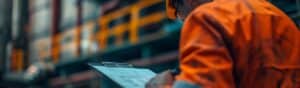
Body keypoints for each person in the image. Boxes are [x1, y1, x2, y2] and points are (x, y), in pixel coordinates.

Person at [146, 0, 300, 88]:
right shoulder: (275, 14)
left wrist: (162, 86)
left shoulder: (207, 18)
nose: (180, 19)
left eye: (177, 10)